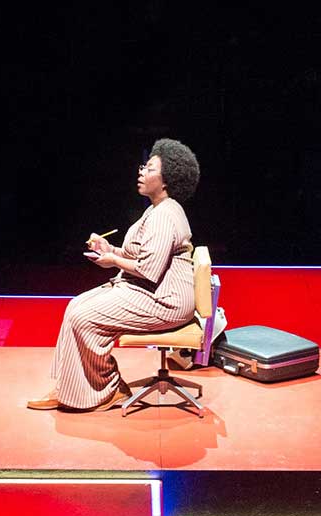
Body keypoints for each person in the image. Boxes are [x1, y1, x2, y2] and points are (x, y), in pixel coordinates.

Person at [28, 139, 200, 411]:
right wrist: (111, 249)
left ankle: (108, 388)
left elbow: (148, 269)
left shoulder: (165, 215)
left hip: (166, 301)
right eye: (144, 165)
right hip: (150, 291)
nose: (141, 171)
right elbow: (142, 255)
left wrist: (112, 261)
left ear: (167, 180)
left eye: (150, 168)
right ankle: (69, 386)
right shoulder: (155, 209)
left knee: (84, 317)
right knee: (76, 306)